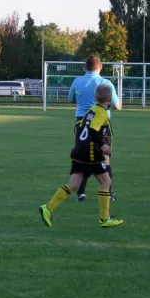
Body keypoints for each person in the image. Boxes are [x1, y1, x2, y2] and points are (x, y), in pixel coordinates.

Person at [39, 84, 124, 228]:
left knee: (74, 184)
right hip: (90, 152)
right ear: (109, 98)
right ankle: (104, 218)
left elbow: (81, 127)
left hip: (79, 150)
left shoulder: (91, 110)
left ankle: (48, 208)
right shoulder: (102, 113)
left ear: (96, 97)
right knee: (106, 182)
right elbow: (92, 130)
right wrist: (101, 145)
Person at [67, 55, 121, 202]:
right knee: (105, 158)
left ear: (85, 67)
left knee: (83, 155)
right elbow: (116, 105)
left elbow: (70, 98)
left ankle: (81, 193)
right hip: (101, 124)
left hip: (81, 123)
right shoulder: (105, 83)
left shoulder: (77, 81)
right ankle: (108, 193)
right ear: (101, 67)